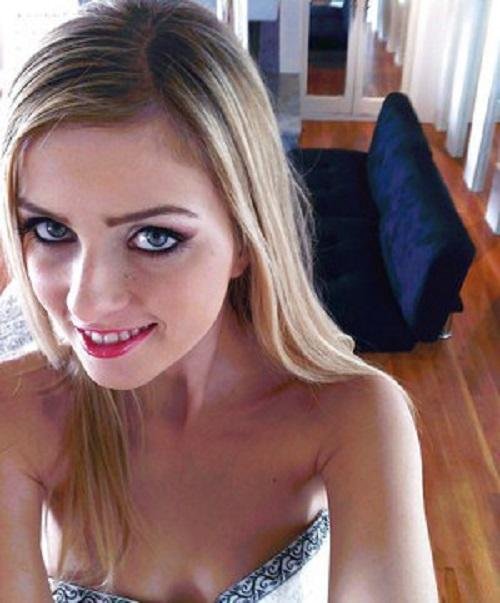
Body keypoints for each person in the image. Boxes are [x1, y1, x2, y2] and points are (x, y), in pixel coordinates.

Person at [0, 1, 439, 601]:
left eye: (155, 238)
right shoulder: (15, 415)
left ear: (245, 238)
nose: (88, 300)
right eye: (51, 230)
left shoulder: (352, 416)